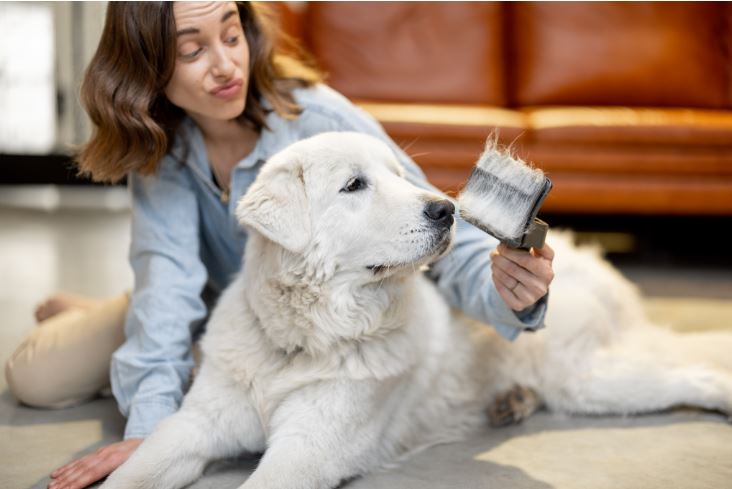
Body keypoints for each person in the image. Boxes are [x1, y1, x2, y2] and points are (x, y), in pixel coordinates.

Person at [4, 2, 555, 489]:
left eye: (231, 33)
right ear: (150, 69)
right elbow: (165, 289)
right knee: (35, 378)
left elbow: (435, 228)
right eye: (192, 50)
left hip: (285, 315)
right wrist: (150, 432)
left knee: (190, 361)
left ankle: (104, 319)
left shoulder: (323, 120)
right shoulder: (162, 151)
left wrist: (511, 293)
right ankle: (97, 314)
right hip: (217, 311)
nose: (225, 65)